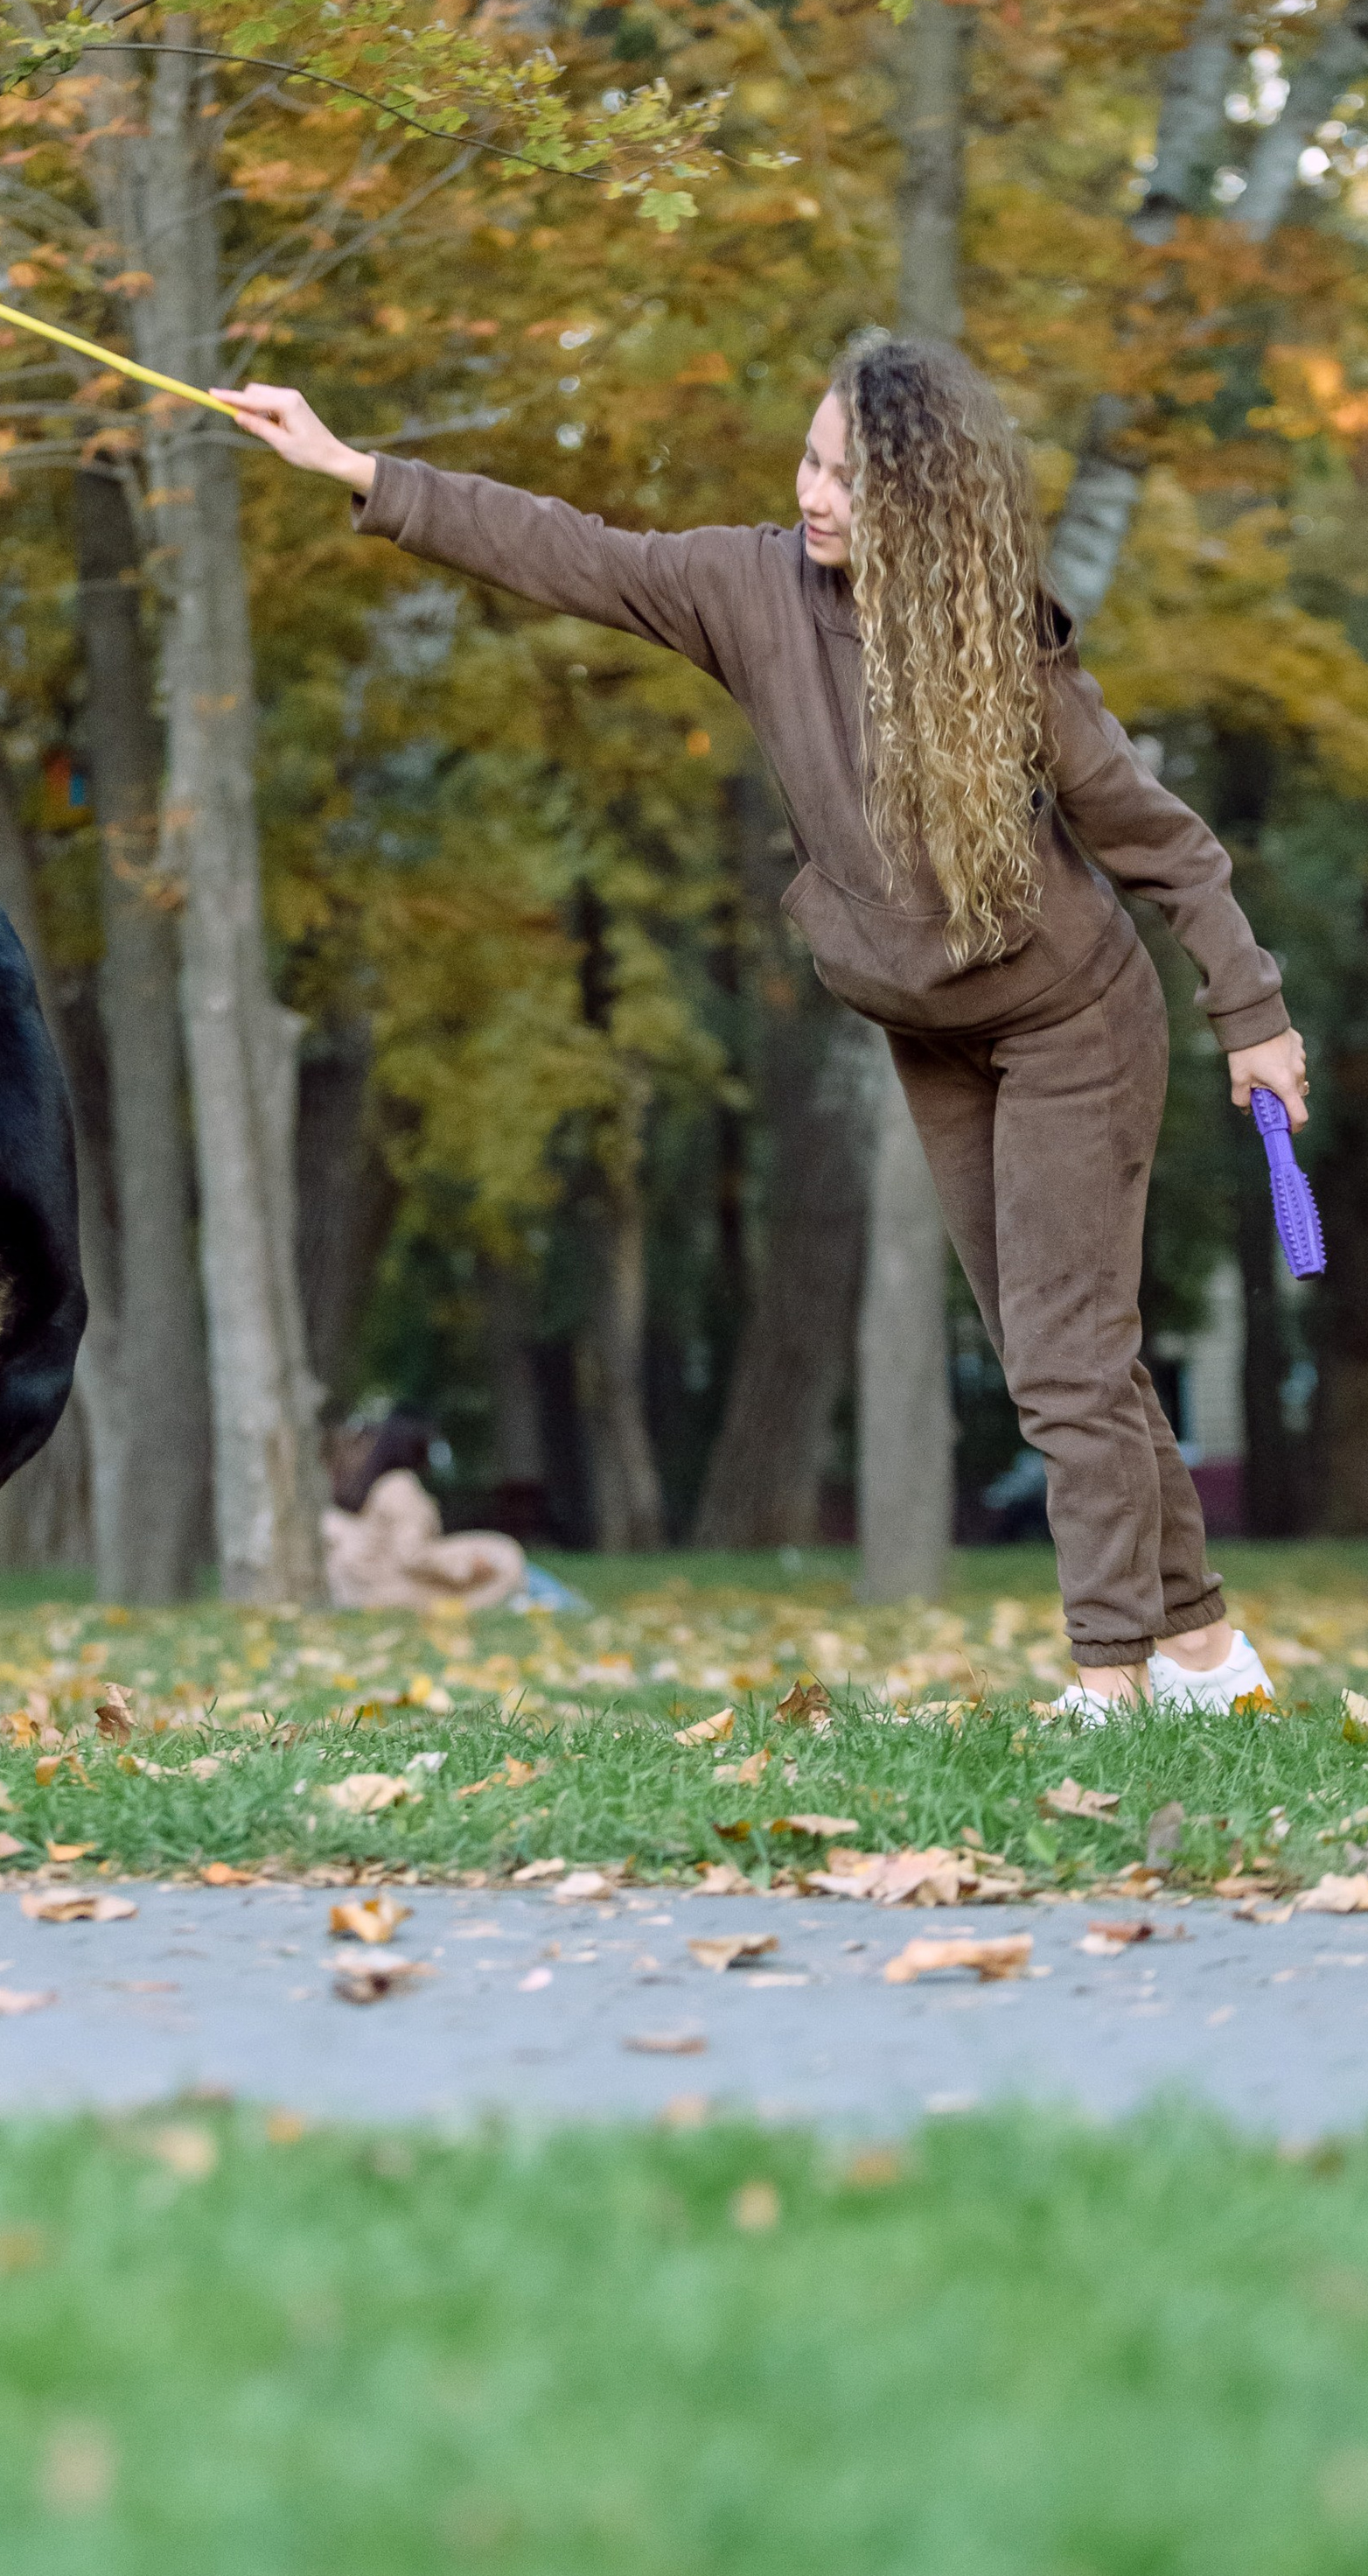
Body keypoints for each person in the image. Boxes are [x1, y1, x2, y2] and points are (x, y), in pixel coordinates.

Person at [217, 333, 1309, 1722]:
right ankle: (1209, 1661)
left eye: (852, 477)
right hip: (936, 1032)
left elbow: (1166, 846)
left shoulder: (997, 647)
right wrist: (355, 466)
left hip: (1075, 1022)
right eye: (810, 460)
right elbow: (566, 549)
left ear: (926, 501)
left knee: (1063, 1362)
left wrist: (1253, 1014)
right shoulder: (748, 589)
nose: (817, 494)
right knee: (1069, 1351)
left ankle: (1114, 1678)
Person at [323, 1414, 529, 1614]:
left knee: (496, 1550)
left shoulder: (383, 1484)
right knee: (506, 1556)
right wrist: (467, 1567)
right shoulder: (400, 1486)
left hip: (376, 1585)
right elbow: (412, 1555)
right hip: (391, 1591)